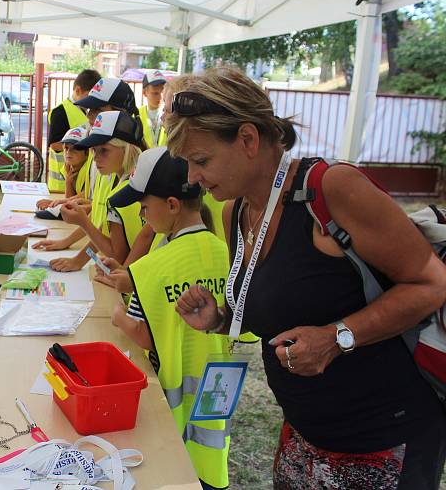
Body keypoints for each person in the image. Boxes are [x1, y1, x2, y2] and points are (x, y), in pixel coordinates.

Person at [169, 67, 446, 489]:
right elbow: (280, 308)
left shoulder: (331, 188)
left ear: (247, 139)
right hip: (303, 435)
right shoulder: (235, 212)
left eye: (200, 160)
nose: (192, 178)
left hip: (383, 438)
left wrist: (337, 338)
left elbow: (431, 283)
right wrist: (221, 319)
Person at [107, 146, 232, 490]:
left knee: (171, 469)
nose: (144, 218)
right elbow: (244, 330)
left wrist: (118, 317)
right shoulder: (226, 253)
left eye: (145, 209)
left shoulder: (151, 267)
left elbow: (145, 335)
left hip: (170, 395)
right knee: (209, 454)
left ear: (172, 205)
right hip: (219, 386)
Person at [33, 77, 142, 259]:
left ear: (121, 112)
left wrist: (126, 276)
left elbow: (129, 242)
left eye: (98, 109)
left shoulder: (132, 172)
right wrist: (72, 251)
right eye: (89, 109)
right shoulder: (108, 159)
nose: (90, 115)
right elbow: (102, 222)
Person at [42, 110, 146, 271]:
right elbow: (102, 232)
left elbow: (115, 255)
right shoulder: (116, 179)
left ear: (126, 149)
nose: (96, 157)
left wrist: (83, 223)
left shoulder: (128, 192)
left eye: (104, 150)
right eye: (94, 150)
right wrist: (78, 260)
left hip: (131, 287)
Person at [43, 68, 101, 194]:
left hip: (81, 181)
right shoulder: (61, 112)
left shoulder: (87, 111)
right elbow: (54, 144)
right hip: (62, 183)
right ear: (78, 90)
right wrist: (82, 146)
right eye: (90, 96)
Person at [138, 70, 168, 149]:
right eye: (155, 93)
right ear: (144, 93)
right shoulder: (136, 115)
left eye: (163, 92)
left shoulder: (171, 114)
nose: (161, 97)